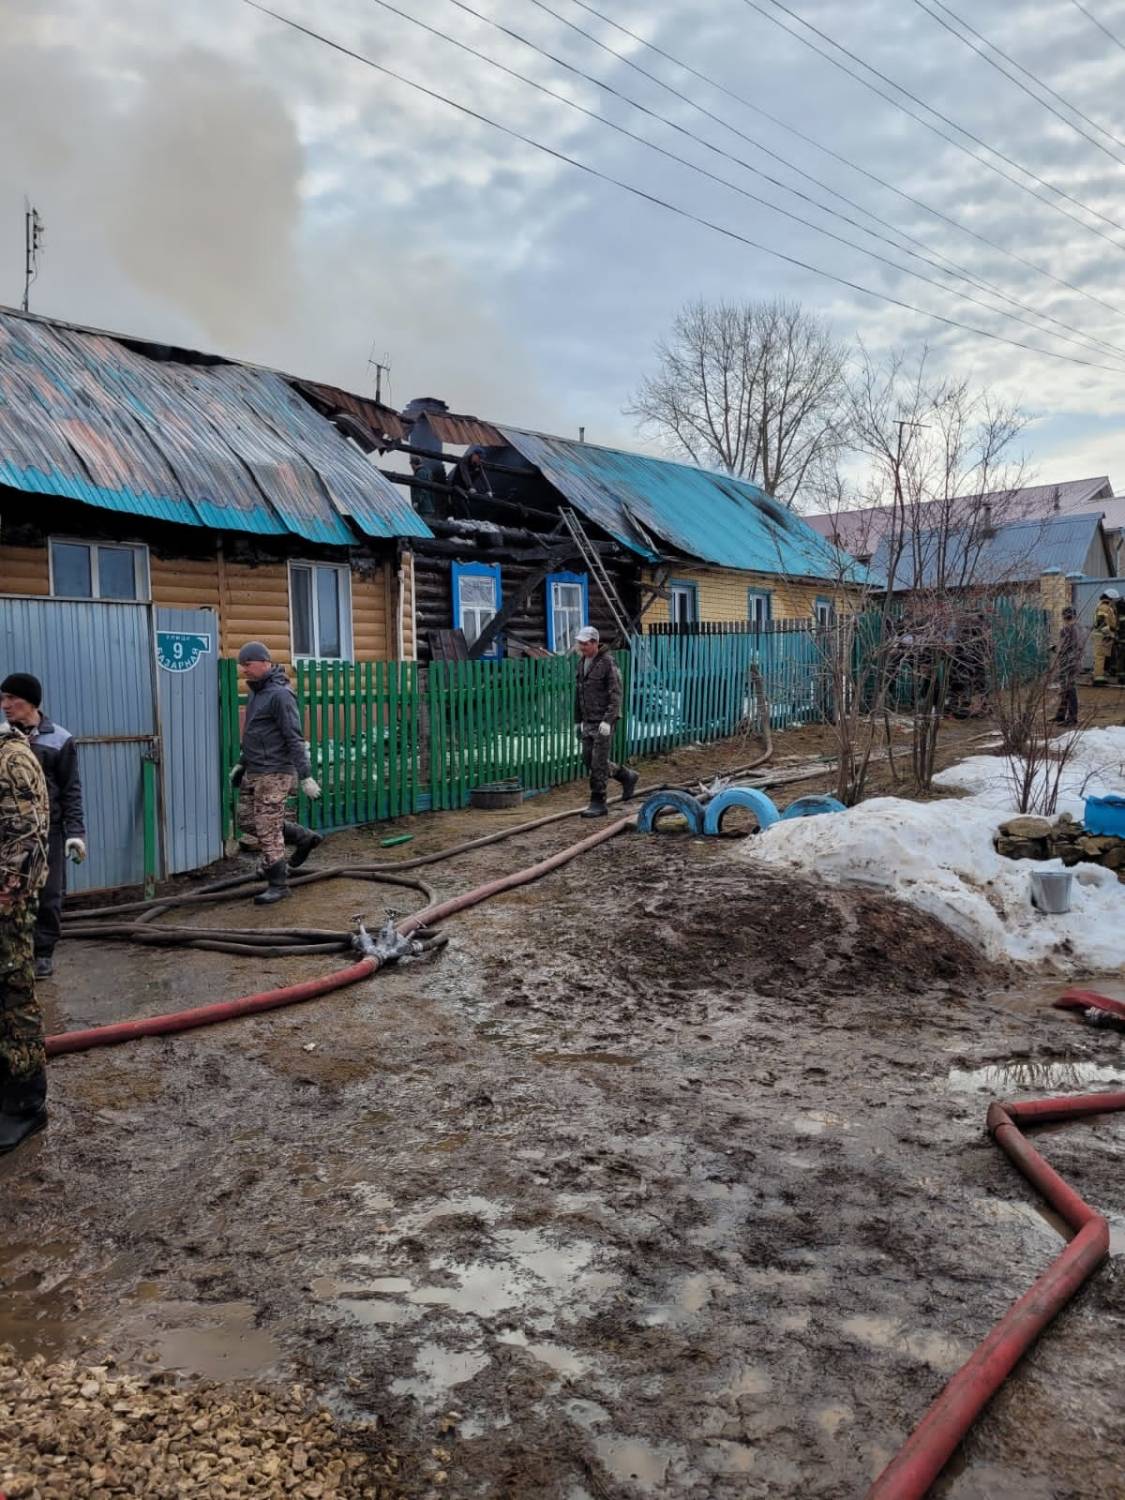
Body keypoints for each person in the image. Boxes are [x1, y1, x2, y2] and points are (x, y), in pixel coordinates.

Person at [0, 674, 86, 979]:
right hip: (9, 834)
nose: (5, 705)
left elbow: (70, 789)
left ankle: (43, 953)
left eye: (12, 698)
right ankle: (12, 953)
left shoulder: (59, 739)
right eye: (3, 699)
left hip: (48, 831)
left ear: (32, 701)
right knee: (10, 894)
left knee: (49, 894)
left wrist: (75, 834)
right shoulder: (2, 739)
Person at [229, 644, 322, 905]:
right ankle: (304, 838)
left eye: (247, 664)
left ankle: (278, 884)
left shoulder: (281, 695)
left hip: (275, 771)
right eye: (242, 665)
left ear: (264, 662)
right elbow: (255, 734)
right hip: (256, 769)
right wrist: (241, 764)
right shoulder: (256, 694)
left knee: (267, 827)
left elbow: (293, 736)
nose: (244, 669)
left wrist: (305, 775)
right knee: (248, 821)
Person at [0, 717, 50, 1153]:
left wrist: (7, 893)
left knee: (13, 994)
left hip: (7, 905)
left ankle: (27, 1104)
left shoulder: (12, 759)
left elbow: (27, 834)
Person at [574, 626, 638, 817]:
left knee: (599, 762)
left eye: (585, 644)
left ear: (595, 643)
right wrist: (577, 720)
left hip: (603, 721)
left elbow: (616, 694)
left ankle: (598, 801)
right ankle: (626, 776)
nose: (582, 647)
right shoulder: (582, 662)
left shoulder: (607, 663)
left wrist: (608, 720)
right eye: (580, 643)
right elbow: (578, 694)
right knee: (588, 758)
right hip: (588, 720)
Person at [1052, 606, 1082, 727]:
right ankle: (1061, 714)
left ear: (1064, 616)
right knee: (1067, 689)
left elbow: (1063, 647)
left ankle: (1072, 718)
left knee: (1068, 689)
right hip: (1075, 661)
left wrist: (1054, 648)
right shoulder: (1078, 628)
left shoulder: (1066, 629)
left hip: (1067, 662)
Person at [1092, 589, 1120, 686]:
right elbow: (1101, 621)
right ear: (1110, 598)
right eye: (1113, 599)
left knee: (1103, 656)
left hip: (1103, 634)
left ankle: (1100, 676)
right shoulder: (1104, 607)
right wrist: (1108, 634)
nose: (1114, 601)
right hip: (1102, 635)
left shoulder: (1104, 606)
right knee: (1100, 656)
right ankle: (1098, 679)